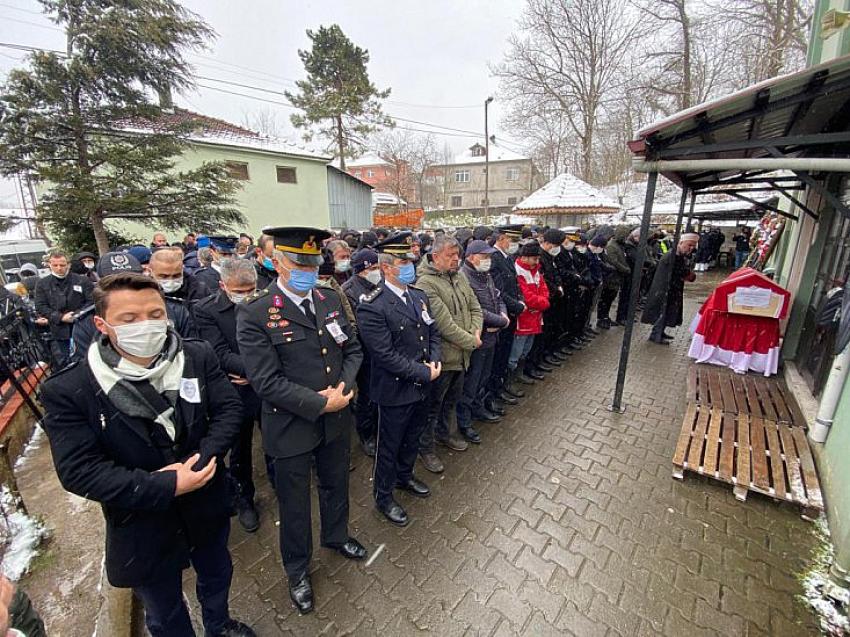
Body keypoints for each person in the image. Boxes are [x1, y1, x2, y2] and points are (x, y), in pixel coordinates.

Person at [40, 273, 254, 637]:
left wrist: (202, 459)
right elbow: (80, 470)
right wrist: (166, 484)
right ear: (102, 324)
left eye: (155, 314)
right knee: (163, 607)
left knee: (216, 572)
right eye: (129, 319)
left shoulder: (196, 355)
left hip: (205, 498)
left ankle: (220, 625)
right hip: (142, 518)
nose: (147, 325)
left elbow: (229, 410)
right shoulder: (71, 389)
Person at [236, 226, 366, 615]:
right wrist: (318, 403)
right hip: (291, 424)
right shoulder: (257, 312)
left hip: (336, 414)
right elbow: (265, 381)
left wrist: (343, 388)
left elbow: (353, 349)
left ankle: (336, 535)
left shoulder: (329, 298)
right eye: (299, 263)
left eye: (313, 263)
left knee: (336, 482)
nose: (309, 270)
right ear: (276, 262)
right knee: (294, 503)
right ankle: (297, 569)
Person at [356, 233, 441, 527]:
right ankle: (383, 496)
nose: (410, 265)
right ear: (387, 267)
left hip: (422, 383)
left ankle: (405, 477)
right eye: (403, 261)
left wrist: (436, 358)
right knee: (388, 446)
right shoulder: (372, 305)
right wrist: (423, 371)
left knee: (413, 437)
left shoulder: (418, 295)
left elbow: (432, 333)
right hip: (395, 389)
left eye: (410, 260)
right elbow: (384, 355)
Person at [194, 258, 264, 532]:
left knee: (274, 439)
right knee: (240, 449)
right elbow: (219, 353)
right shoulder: (206, 311)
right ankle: (244, 499)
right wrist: (258, 370)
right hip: (237, 391)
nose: (246, 297)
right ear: (223, 286)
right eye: (239, 291)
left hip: (267, 386)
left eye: (251, 290)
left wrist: (261, 373)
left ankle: (280, 483)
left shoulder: (266, 301)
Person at [416, 234, 483, 472]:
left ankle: (445, 434)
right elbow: (444, 325)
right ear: (435, 257)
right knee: (432, 406)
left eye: (457, 255)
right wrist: (472, 342)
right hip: (443, 358)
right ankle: (425, 448)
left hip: (462, 354)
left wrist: (475, 332)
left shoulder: (459, 277)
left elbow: (475, 307)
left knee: (451, 401)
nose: (456, 259)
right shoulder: (426, 284)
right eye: (450, 255)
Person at [70, 252, 197, 361]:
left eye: (132, 279)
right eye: (114, 283)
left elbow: (189, 354)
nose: (126, 288)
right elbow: (85, 367)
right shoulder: (86, 322)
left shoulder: (175, 310)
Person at [457, 240, 509, 440]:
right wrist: (501, 321)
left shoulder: (485, 274)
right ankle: (464, 421)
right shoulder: (464, 276)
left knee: (484, 377)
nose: (488, 260)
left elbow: (498, 297)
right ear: (471, 257)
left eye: (489, 256)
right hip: (479, 338)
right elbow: (477, 309)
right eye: (484, 256)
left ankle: (478, 409)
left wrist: (503, 317)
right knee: (471, 382)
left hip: (492, 337)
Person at [341, 248, 382, 456]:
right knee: (367, 395)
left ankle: (377, 428)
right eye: (373, 268)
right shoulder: (349, 290)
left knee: (379, 395)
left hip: (383, 352)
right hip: (365, 354)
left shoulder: (380, 284)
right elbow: (354, 326)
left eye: (378, 267)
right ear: (361, 270)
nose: (377, 271)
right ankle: (366, 435)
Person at [486, 225, 526, 406]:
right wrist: (516, 305)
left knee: (504, 354)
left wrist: (519, 300)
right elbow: (499, 290)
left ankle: (500, 386)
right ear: (502, 238)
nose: (514, 244)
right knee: (498, 357)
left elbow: (513, 284)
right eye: (512, 240)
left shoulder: (506, 258)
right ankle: (493, 392)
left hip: (510, 312)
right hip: (502, 314)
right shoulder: (494, 258)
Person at [34, 249, 94, 369]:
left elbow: (92, 301)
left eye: (62, 265)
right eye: (55, 265)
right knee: (68, 361)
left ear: (69, 265)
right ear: (49, 265)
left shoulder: (82, 280)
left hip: (83, 325)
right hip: (60, 330)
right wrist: (60, 317)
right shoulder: (42, 284)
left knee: (90, 357)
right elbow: (40, 306)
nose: (59, 268)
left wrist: (77, 315)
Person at [642, 233, 699, 344]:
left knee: (667, 312)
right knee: (663, 312)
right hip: (665, 289)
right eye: (689, 245)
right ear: (681, 243)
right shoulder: (672, 256)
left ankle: (660, 332)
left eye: (693, 246)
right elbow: (680, 272)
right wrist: (689, 274)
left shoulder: (677, 255)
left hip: (670, 288)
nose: (691, 248)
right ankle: (656, 335)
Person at [508, 241, 550, 386]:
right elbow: (526, 296)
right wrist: (542, 303)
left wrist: (542, 302)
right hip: (523, 319)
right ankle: (509, 381)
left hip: (535, 317)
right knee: (515, 353)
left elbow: (544, 289)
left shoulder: (536, 271)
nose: (537, 262)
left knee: (526, 350)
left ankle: (519, 374)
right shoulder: (518, 271)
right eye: (535, 259)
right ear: (525, 257)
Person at [597, 226, 632, 329]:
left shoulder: (619, 246)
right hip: (611, 278)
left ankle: (605, 316)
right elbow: (614, 262)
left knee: (610, 299)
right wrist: (625, 269)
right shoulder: (612, 246)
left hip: (616, 278)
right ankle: (601, 318)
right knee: (605, 299)